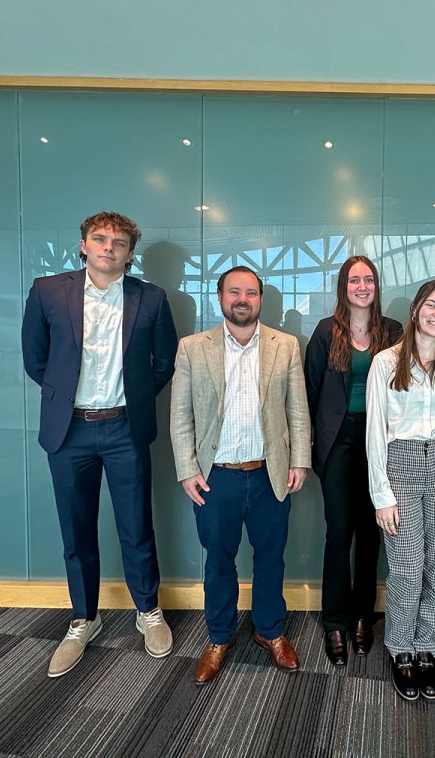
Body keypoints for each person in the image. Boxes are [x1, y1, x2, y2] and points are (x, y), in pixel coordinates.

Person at [21, 211, 179, 678]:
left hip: (124, 429)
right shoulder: (48, 291)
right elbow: (35, 359)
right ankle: (83, 619)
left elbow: (164, 362)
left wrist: (134, 399)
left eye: (119, 242)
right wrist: (66, 397)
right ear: (84, 245)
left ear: (130, 254)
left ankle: (147, 611)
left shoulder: (151, 298)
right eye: (100, 238)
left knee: (137, 525)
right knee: (76, 530)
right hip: (68, 431)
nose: (109, 247)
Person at [169, 266, 312, 684]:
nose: (242, 300)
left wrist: (299, 461)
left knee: (271, 558)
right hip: (216, 478)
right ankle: (218, 636)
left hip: (270, 475)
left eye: (250, 293)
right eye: (234, 292)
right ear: (220, 297)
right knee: (218, 562)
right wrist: (186, 470)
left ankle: (270, 630)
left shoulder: (285, 346)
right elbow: (180, 415)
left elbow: (298, 409)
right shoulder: (192, 348)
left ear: (260, 299)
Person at [366, 279, 435, 702]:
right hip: (401, 466)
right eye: (431, 305)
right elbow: (375, 432)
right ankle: (400, 648)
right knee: (407, 570)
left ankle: (426, 647)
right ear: (415, 310)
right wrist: (382, 495)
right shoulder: (386, 362)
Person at [304, 256, 402, 665]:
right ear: (343, 287)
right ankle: (335, 621)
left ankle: (363, 616)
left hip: (380, 442)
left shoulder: (393, 331)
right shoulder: (326, 331)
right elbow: (310, 392)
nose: (362, 287)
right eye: (354, 280)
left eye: (369, 280)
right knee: (339, 531)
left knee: (371, 532)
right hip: (338, 442)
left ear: (377, 286)